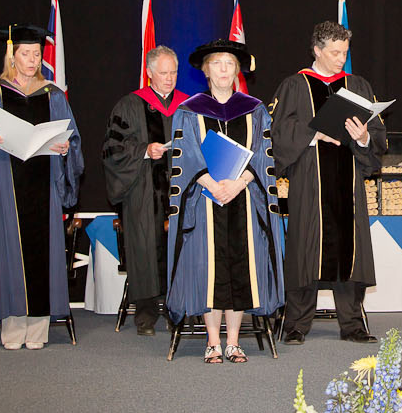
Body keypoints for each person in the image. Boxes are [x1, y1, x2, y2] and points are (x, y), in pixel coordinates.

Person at [0, 24, 83, 350]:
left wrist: (65, 148)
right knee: (10, 253)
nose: (32, 60)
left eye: (37, 54)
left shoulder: (53, 96)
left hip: (45, 184)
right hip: (6, 185)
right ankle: (13, 327)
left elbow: (72, 140)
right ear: (12, 56)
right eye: (25, 54)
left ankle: (39, 327)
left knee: (43, 254)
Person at [165, 40, 284, 363]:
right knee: (211, 268)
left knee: (240, 268)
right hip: (206, 200)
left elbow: (263, 155)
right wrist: (211, 183)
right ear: (205, 70)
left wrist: (239, 182)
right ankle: (213, 342)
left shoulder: (255, 109)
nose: (223, 70)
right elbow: (184, 155)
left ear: (237, 70)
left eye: (229, 64)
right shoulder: (189, 111)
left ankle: (234, 341)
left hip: (243, 198)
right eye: (216, 63)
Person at [271, 21, 387, 345]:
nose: (341, 60)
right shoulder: (294, 86)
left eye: (345, 53)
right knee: (305, 251)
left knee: (350, 252)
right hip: (310, 183)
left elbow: (377, 137)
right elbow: (277, 133)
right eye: (335, 53)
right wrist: (313, 133)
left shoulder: (358, 86)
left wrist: (364, 137)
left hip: (347, 185)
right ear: (317, 50)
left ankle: (352, 324)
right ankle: (296, 324)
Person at [102, 45, 189, 336]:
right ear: (149, 73)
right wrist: (143, 150)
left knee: (182, 247)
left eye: (173, 72)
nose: (169, 78)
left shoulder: (188, 105)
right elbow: (112, 149)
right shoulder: (128, 105)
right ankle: (146, 314)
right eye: (163, 73)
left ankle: (181, 308)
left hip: (183, 193)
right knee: (145, 249)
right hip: (143, 192)